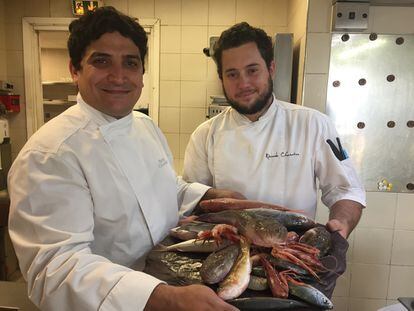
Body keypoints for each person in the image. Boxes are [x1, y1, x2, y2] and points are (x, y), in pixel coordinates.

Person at [7, 7, 240, 311]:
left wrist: (215, 196)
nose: (118, 76)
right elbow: (55, 269)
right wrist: (163, 297)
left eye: (130, 63)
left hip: (173, 282)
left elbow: (166, 187)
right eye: (101, 61)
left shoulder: (144, 126)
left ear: (142, 73)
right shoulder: (50, 153)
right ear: (74, 70)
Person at [183, 22, 366, 297]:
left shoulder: (312, 124)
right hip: (231, 264)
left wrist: (342, 223)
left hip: (292, 259)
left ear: (271, 68)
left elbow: (345, 189)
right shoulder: (205, 134)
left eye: (252, 70)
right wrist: (210, 196)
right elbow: (191, 201)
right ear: (221, 78)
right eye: (232, 74)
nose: (243, 83)